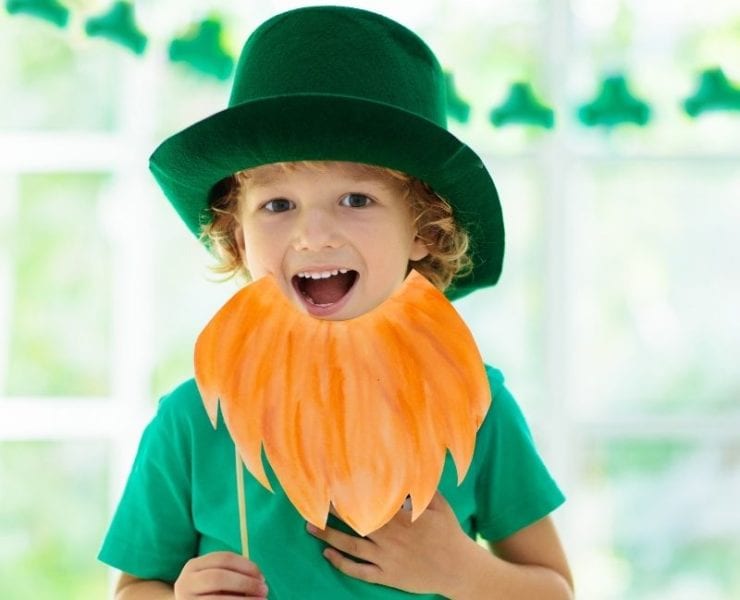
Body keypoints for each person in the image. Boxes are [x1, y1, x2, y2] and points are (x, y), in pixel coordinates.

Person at [99, 6, 573, 599]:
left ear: (425, 229)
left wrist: (463, 571)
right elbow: (133, 587)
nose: (313, 234)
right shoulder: (193, 420)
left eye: (355, 198)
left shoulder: (477, 408)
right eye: (277, 206)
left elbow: (555, 589)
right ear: (239, 237)